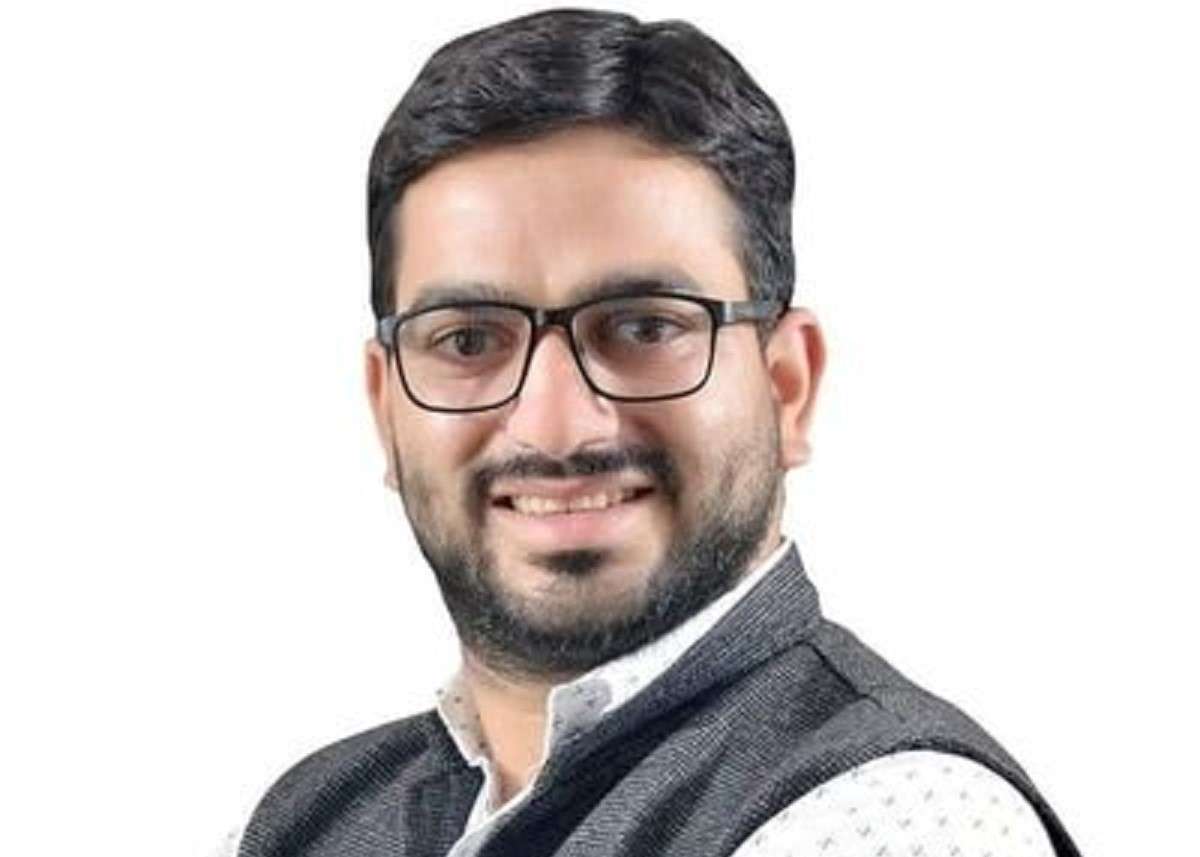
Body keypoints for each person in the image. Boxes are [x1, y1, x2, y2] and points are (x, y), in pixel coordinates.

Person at [219, 8, 1083, 857]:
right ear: (385, 407)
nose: (553, 424)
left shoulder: (906, 814)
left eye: (643, 327)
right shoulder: (305, 818)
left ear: (788, 386)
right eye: (469, 340)